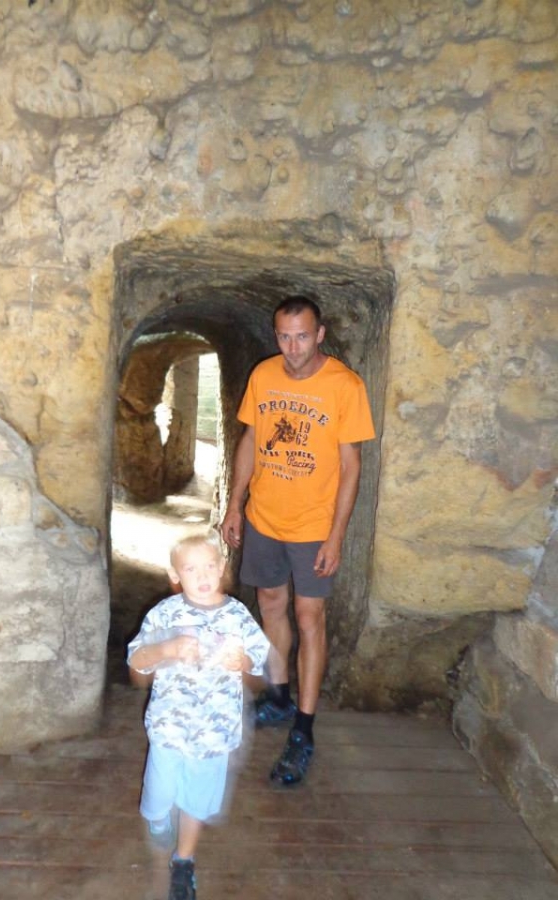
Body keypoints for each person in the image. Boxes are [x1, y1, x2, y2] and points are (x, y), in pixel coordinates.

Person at [220, 295, 375, 787]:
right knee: (270, 603)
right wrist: (235, 503)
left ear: (320, 334)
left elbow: (351, 466)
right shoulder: (264, 375)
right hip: (265, 518)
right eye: (285, 337)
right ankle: (279, 696)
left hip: (313, 527)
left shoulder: (345, 386)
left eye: (302, 336)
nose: (293, 347)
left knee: (310, 619)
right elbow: (250, 440)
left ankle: (304, 729)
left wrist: (336, 535)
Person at [127, 532, 271, 900]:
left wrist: (244, 661)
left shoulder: (237, 615)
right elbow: (137, 660)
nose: (203, 575)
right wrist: (166, 649)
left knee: (195, 801)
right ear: (175, 575)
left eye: (209, 566)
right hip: (169, 727)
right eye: (191, 569)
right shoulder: (165, 613)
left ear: (222, 568)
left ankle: (184, 861)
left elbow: (259, 658)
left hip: (214, 732)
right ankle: (157, 817)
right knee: (159, 795)